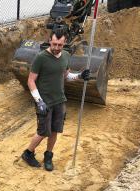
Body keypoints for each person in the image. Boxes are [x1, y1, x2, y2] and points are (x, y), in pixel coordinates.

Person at [21, 30, 90, 171]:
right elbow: (31, 81)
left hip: (60, 100)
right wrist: (39, 101)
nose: (57, 47)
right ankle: (28, 153)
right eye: (54, 44)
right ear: (49, 41)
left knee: (54, 130)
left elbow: (66, 76)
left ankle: (48, 156)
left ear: (64, 43)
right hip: (44, 101)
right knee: (42, 132)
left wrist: (80, 76)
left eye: (60, 44)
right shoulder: (40, 58)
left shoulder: (65, 55)